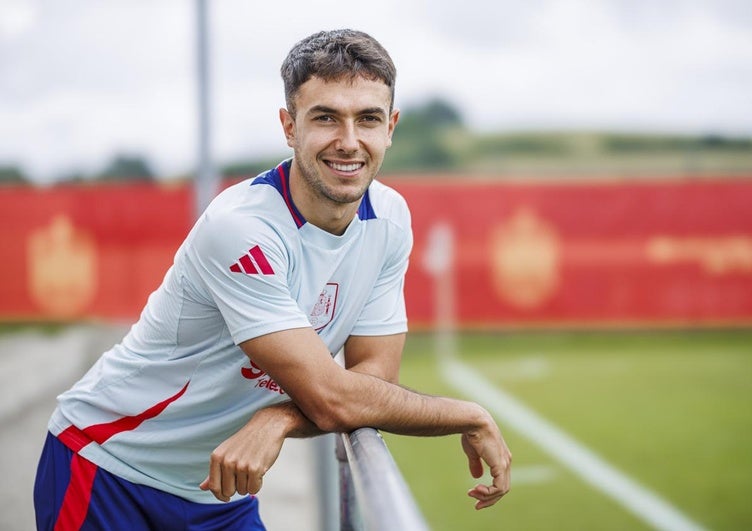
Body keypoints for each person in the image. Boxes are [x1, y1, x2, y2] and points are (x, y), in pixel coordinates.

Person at [34, 29, 512, 530]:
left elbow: (372, 379)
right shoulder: (242, 228)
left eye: (367, 118)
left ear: (390, 127)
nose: (349, 142)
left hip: (218, 487)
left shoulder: (389, 221)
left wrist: (278, 417)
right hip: (110, 464)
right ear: (289, 126)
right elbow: (334, 399)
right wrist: (467, 413)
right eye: (325, 117)